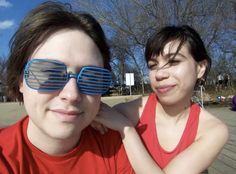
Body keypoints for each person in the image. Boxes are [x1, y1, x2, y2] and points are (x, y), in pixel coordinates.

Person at [0, 1, 134, 174]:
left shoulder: (114, 144)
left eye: (91, 78)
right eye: (50, 74)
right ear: (20, 81)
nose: (72, 94)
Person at [95, 25, 229, 174]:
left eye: (173, 62)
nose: (159, 74)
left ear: (200, 68)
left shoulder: (213, 130)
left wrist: (127, 129)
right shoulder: (126, 112)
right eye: (153, 65)